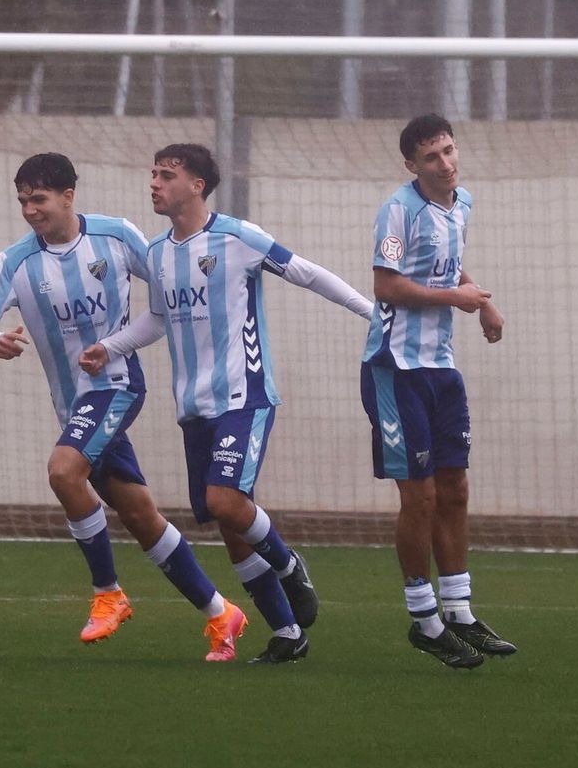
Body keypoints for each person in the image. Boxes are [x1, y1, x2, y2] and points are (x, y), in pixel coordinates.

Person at [81, 143, 372, 663]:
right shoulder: (157, 252)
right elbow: (158, 319)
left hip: (244, 395)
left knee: (225, 502)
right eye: (153, 174)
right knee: (233, 529)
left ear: (197, 186)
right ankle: (288, 633)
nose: (154, 183)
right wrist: (111, 346)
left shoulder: (238, 237)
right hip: (193, 406)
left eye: (166, 175)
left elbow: (308, 272)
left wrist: (373, 314)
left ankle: (289, 565)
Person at [0, 153, 249, 661]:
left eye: (39, 199)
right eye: (23, 200)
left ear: (68, 196)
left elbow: (167, 288)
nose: (30, 210)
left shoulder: (115, 236)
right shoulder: (16, 261)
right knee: (139, 515)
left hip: (116, 386)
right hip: (73, 406)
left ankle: (107, 593)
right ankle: (221, 612)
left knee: (62, 471)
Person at [360, 113, 515, 669]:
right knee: (420, 497)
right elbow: (386, 284)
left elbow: (448, 264)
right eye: (432, 157)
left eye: (449, 151)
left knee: (455, 489)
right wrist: (457, 299)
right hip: (395, 367)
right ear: (412, 164)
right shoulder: (398, 210)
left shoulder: (462, 203)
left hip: (441, 367)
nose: (446, 163)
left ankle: (460, 613)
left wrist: (483, 302)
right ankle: (425, 621)